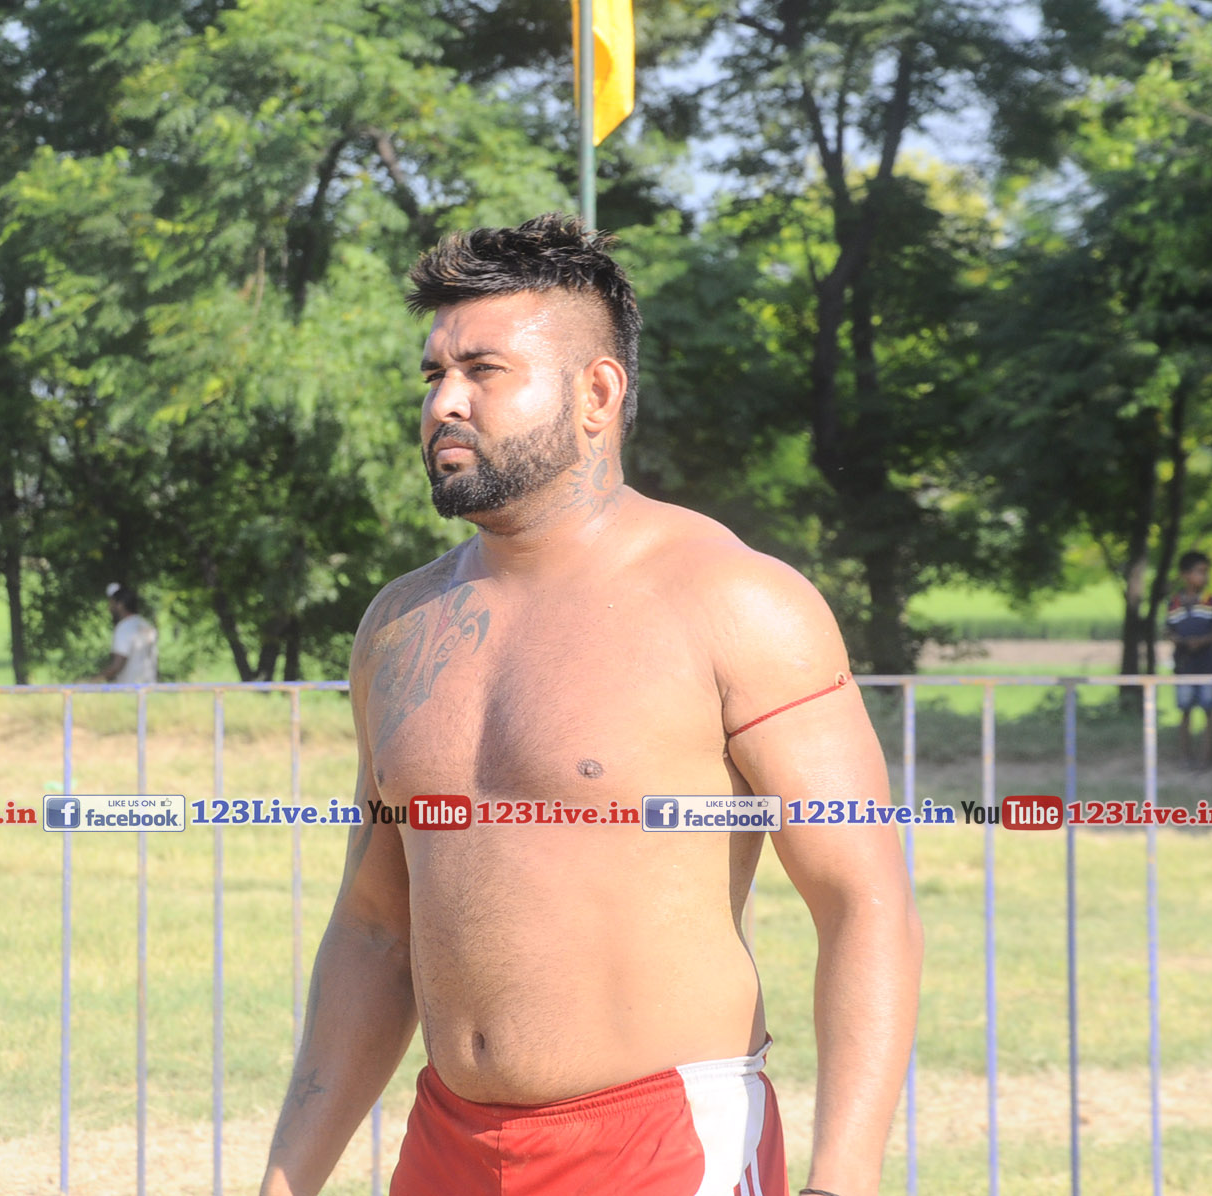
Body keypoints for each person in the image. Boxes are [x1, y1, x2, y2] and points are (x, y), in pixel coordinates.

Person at [259, 215, 922, 1196]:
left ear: (597, 394)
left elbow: (863, 901)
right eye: (433, 373)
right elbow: (374, 930)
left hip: (663, 1145)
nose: (444, 402)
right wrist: (284, 1183)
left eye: (483, 370)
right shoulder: (399, 625)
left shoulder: (734, 601)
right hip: (447, 1144)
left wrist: (844, 1179)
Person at [1166, 550, 1212, 768]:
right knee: (1185, 710)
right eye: (1200, 572)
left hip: (1207, 665)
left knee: (1209, 710)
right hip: (1184, 666)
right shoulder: (1174, 603)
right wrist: (1182, 642)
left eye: (1206, 572)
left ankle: (1207, 758)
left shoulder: (1210, 601)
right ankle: (1185, 757)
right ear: (1185, 575)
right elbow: (1168, 630)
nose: (1205, 577)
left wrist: (1203, 641)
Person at [88, 583, 159, 683]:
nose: (109, 608)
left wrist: (90, 682)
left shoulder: (124, 628)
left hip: (130, 690)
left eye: (112, 604)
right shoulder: (146, 625)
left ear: (120, 605)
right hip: (150, 688)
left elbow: (117, 666)